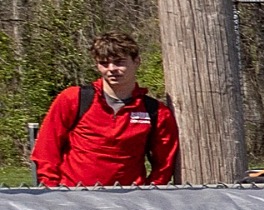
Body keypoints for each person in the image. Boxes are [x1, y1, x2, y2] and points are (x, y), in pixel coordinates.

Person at [32, 31, 178, 187]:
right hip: (73, 197)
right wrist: (52, 190)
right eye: (104, 63)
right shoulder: (74, 99)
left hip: (127, 200)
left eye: (119, 62)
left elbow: (165, 162)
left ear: (136, 61)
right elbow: (46, 148)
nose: (111, 69)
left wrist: (150, 191)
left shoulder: (156, 112)